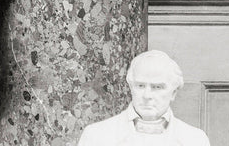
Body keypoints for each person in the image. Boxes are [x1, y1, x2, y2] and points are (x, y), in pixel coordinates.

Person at [77, 50, 211, 146]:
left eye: (157, 87)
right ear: (130, 87)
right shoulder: (97, 135)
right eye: (140, 86)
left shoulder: (194, 139)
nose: (147, 95)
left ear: (174, 93)